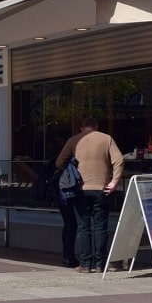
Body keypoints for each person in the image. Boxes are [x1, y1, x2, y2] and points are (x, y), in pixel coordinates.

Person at [56, 117, 124, 273]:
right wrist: (114, 181)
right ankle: (101, 264)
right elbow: (119, 160)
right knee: (101, 227)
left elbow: (59, 163)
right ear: (97, 126)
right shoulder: (107, 139)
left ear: (82, 128)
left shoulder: (74, 140)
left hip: (80, 189)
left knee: (83, 227)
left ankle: (85, 264)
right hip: (102, 189)